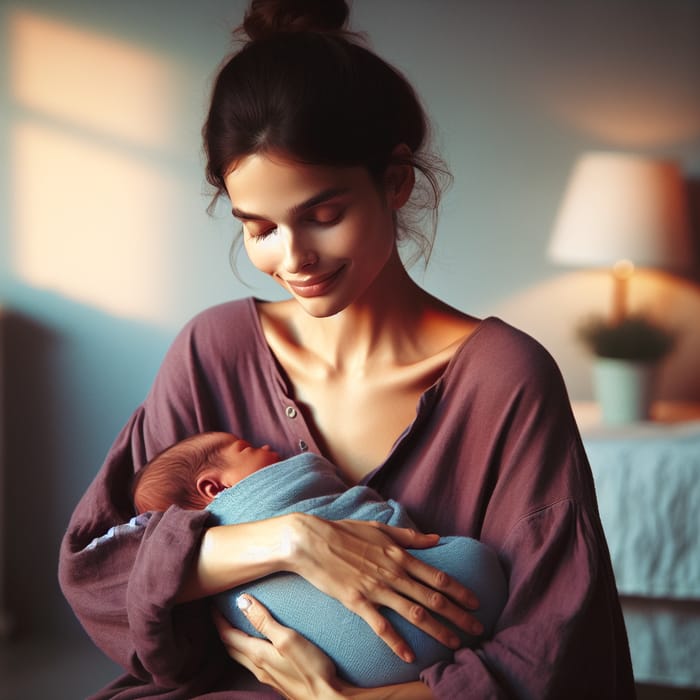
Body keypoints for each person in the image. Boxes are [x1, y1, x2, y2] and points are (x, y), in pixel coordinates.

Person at [58, 0, 636, 697]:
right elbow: (98, 573)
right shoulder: (213, 350)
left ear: (395, 182)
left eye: (323, 216)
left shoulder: (505, 379)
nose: (293, 257)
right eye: (260, 227)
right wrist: (292, 540)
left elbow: (553, 650)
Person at [131, 431, 508, 687]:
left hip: (353, 673)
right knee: (476, 561)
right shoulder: (282, 485)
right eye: (246, 447)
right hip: (448, 609)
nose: (267, 446)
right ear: (215, 488)